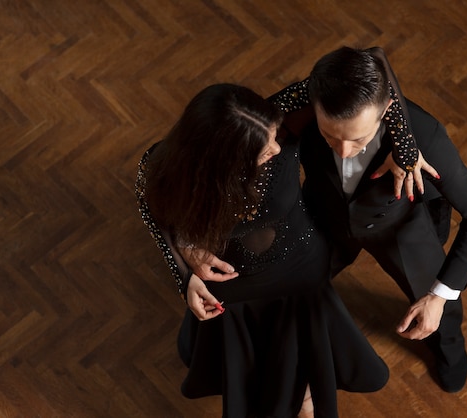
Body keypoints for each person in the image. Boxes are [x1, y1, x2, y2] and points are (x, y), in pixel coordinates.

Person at [192, 47, 467, 394]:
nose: (344, 151)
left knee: (440, 304)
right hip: (326, 218)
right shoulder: (300, 108)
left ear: (385, 111)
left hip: (399, 228)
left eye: (358, 140)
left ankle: (450, 352)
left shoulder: (423, 135)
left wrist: (439, 298)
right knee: (286, 287)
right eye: (330, 136)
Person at [135, 84, 391, 418]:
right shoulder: (170, 165)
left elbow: (370, 68)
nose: (274, 146)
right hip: (234, 287)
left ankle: (306, 395)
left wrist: (405, 150)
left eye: (273, 136)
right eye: (262, 147)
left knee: (303, 350)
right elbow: (151, 206)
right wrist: (183, 266)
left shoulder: (282, 121)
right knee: (252, 370)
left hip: (300, 270)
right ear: (224, 157)